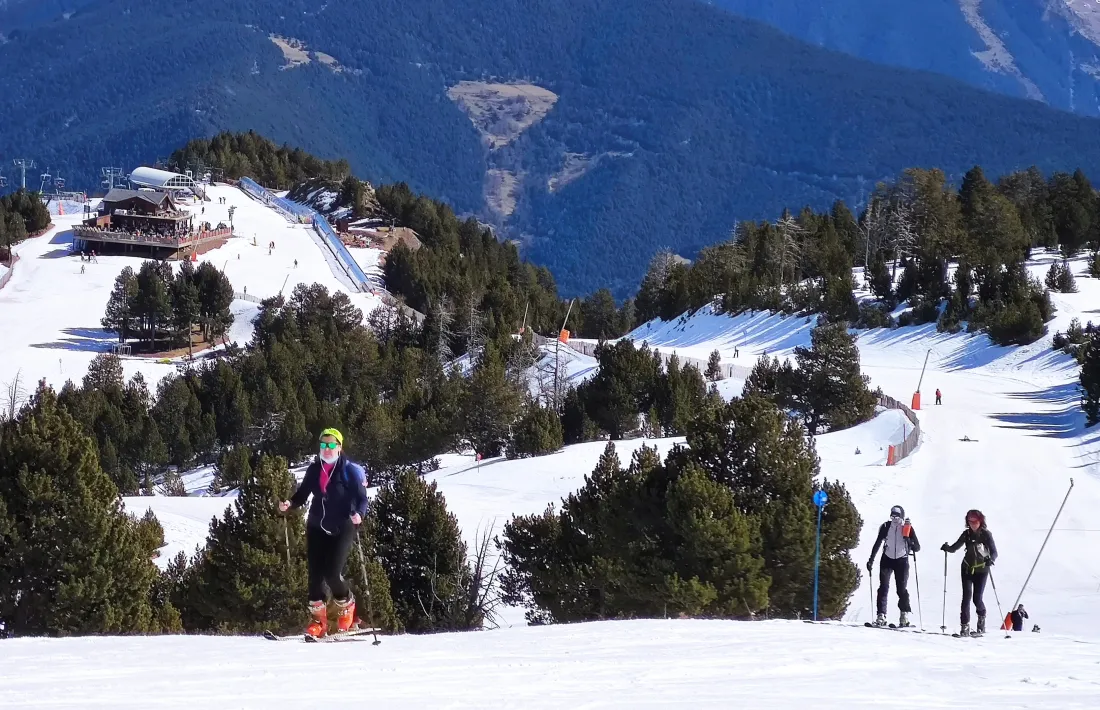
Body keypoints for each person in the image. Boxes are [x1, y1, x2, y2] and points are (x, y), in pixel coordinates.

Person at [278, 428, 369, 638]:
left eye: (331, 445)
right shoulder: (314, 470)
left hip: (342, 525)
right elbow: (302, 495)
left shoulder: (349, 471)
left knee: (333, 573)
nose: (327, 449)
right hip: (316, 525)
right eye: (323, 445)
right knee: (315, 577)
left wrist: (360, 515)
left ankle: (347, 608)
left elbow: (362, 498)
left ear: (339, 447)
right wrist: (290, 503)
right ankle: (319, 622)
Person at [942, 509, 998, 636]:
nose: (972, 524)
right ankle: (964, 626)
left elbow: (994, 552)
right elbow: (956, 547)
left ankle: (981, 616)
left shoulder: (986, 534)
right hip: (967, 568)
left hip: (982, 569)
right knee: (966, 597)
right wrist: (948, 548)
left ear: (980, 521)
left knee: (977, 598)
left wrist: (991, 559)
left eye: (975, 521)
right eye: (970, 521)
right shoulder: (966, 534)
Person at [867, 505, 920, 627]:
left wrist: (908, 540)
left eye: (897, 516)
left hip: (902, 560)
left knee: (901, 589)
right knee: (883, 587)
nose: (894, 518)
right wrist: (871, 560)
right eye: (892, 516)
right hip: (887, 559)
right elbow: (878, 542)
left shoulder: (907, 528)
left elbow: (917, 547)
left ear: (902, 516)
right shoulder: (886, 526)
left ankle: (904, 615)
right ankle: (881, 615)